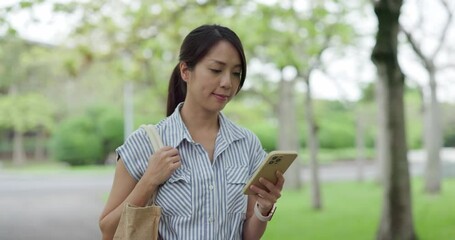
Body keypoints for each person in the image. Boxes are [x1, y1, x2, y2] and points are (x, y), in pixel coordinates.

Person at [99, 24, 285, 240]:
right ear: (186, 71)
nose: (227, 83)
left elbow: (248, 236)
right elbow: (108, 230)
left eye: (236, 73)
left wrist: (264, 208)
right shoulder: (145, 143)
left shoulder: (247, 144)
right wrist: (149, 181)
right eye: (216, 70)